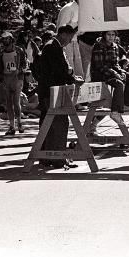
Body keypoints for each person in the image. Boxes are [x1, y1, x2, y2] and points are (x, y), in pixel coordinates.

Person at [38, 25, 82, 169]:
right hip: (52, 91)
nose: (69, 41)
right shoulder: (52, 47)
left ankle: (47, 157)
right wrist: (72, 79)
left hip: (53, 90)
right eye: (69, 38)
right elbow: (58, 71)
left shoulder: (54, 46)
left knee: (50, 124)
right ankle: (56, 158)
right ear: (63, 34)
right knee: (58, 123)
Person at [90, 30, 129, 123]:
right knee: (119, 84)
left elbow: (115, 64)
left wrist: (121, 71)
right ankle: (114, 112)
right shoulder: (98, 45)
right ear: (104, 35)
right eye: (108, 34)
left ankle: (127, 104)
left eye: (113, 35)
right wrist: (115, 74)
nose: (111, 37)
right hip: (100, 74)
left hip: (112, 72)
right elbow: (100, 66)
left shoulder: (115, 46)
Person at [0, 31, 27, 135]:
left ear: (11, 39)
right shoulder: (1, 53)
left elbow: (25, 64)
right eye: (4, 39)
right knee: (8, 103)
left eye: (7, 39)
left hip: (17, 78)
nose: (5, 41)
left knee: (16, 101)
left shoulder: (19, 50)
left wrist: (20, 70)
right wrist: (1, 79)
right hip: (6, 78)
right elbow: (0, 68)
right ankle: (11, 126)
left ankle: (19, 123)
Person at [56, 0, 83, 77]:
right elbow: (61, 29)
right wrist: (75, 28)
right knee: (69, 67)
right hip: (65, 42)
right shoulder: (68, 8)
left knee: (78, 69)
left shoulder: (81, 9)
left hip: (75, 41)